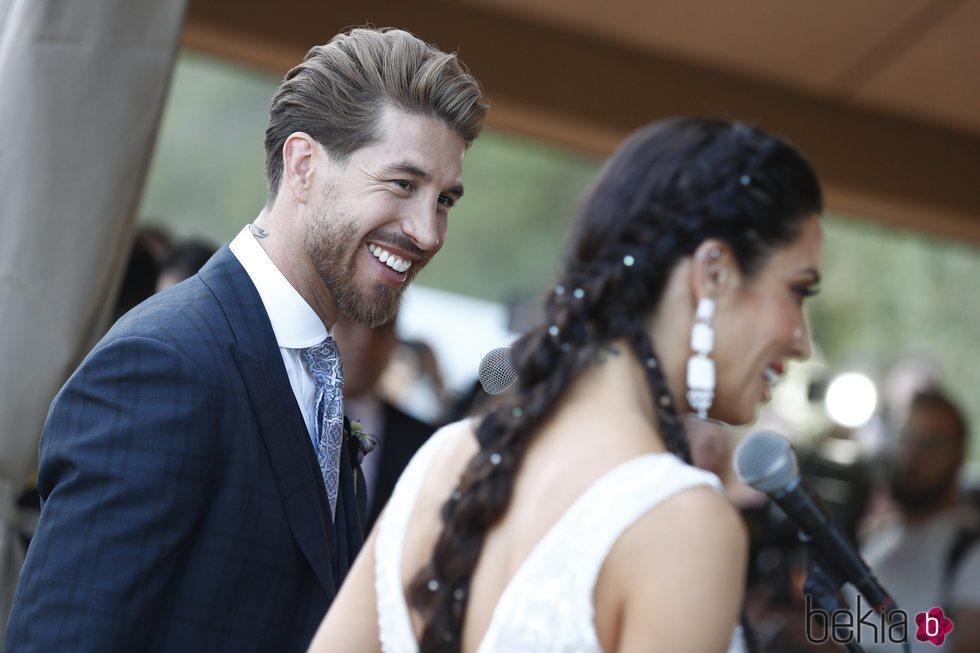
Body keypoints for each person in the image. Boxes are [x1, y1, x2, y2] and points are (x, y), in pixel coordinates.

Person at [5, 27, 487, 653]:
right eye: (401, 184)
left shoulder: (315, 371)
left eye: (444, 199)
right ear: (304, 165)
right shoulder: (165, 363)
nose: (428, 232)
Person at [309, 117, 824, 653]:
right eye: (797, 291)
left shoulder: (445, 459)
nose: (802, 341)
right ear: (712, 272)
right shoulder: (682, 523)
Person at [855, 390, 980, 652]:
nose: (910, 456)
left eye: (929, 445)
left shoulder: (970, 548)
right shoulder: (880, 534)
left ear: (958, 457)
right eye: (904, 438)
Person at [332, 316, 438, 530]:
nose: (364, 339)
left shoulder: (425, 443)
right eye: (347, 321)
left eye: (381, 327)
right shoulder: (281, 411)